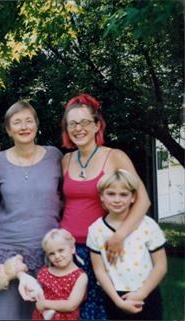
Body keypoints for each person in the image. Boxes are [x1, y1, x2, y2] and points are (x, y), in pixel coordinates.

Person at [60, 93, 151, 319]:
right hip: (69, 253)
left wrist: (119, 235)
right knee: (70, 311)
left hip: (104, 249)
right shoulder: (65, 160)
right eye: (72, 123)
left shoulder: (115, 156)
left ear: (97, 125)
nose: (78, 128)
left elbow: (143, 200)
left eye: (85, 122)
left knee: (102, 310)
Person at [0, 101, 63, 320]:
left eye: (28, 121)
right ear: (8, 129)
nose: (24, 127)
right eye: (17, 122)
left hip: (48, 250)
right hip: (7, 251)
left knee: (44, 314)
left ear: (37, 125)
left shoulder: (55, 156)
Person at [87, 169, 167, 320]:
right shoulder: (96, 230)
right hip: (115, 297)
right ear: (102, 197)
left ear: (133, 197)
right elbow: (100, 271)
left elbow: (161, 266)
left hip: (147, 294)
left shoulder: (148, 225)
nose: (117, 200)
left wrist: (141, 294)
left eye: (123, 194)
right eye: (111, 194)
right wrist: (118, 301)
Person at [32, 228, 88, 320]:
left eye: (61, 250)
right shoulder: (44, 272)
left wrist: (45, 303)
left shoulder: (80, 276)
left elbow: (71, 305)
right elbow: (37, 292)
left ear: (72, 248)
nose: (57, 256)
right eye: (51, 253)